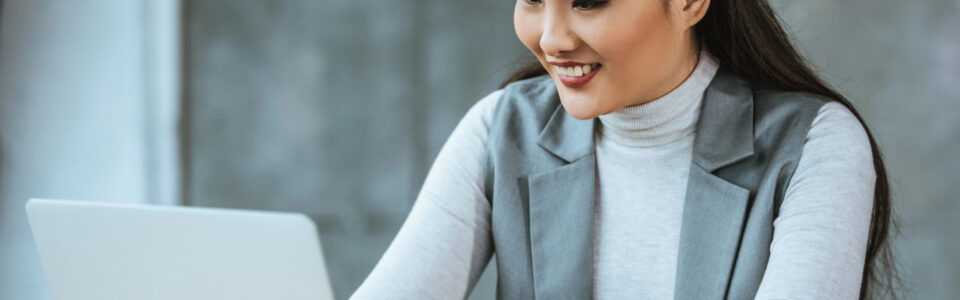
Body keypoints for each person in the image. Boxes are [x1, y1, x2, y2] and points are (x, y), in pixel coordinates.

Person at [352, 0, 897, 299]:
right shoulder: (502, 127)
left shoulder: (814, 143)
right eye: (533, 0)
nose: (551, 38)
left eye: (588, 1)